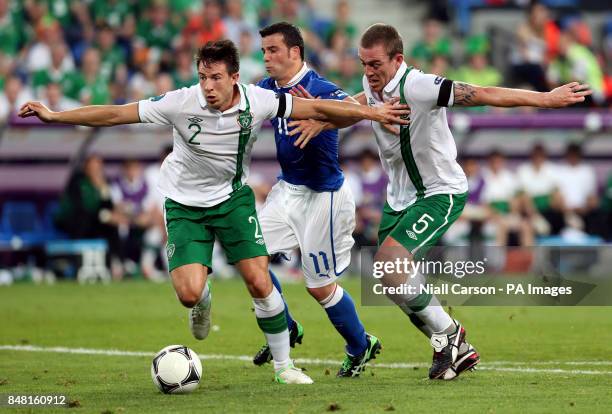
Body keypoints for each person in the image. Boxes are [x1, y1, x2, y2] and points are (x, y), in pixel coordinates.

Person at [18, 39, 408, 385]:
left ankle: (284, 365)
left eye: (216, 77)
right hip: (185, 204)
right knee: (189, 294)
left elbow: (317, 106)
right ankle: (202, 301)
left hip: (233, 199)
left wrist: (373, 114)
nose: (208, 86)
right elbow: (115, 113)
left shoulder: (260, 100)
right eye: (203, 76)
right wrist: (56, 116)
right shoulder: (179, 102)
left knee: (259, 278)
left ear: (234, 78)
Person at [288, 23, 590, 380]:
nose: (368, 73)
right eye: (363, 64)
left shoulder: (418, 85)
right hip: (398, 200)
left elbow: (478, 93)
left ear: (398, 59)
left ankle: (450, 335)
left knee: (391, 264)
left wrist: (545, 98)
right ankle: (452, 347)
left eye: (375, 64)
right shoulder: (373, 91)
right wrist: (320, 120)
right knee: (388, 278)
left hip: (439, 192)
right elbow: (350, 107)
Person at [252, 22, 380, 378]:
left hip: (323, 198)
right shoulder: (267, 88)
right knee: (251, 260)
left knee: (319, 287)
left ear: (295, 52)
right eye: (263, 51)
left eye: (273, 50)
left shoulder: (319, 88)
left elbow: (352, 111)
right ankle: (285, 326)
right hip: (287, 190)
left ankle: (360, 346)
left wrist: (322, 117)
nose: (266, 57)